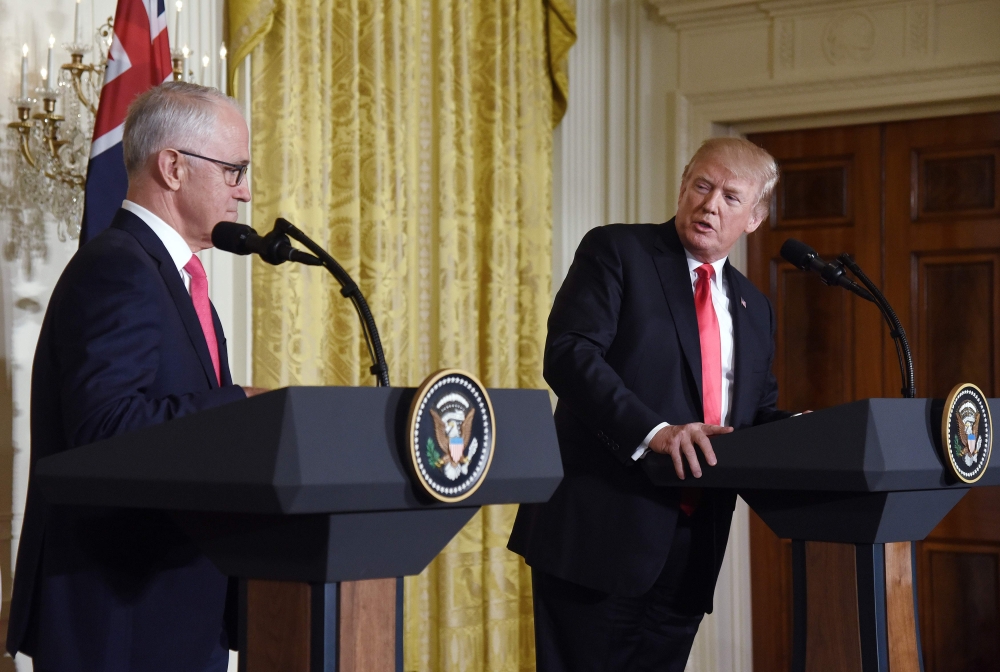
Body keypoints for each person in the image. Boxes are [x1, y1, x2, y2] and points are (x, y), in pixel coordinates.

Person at [6, 81, 267, 671]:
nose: (245, 193)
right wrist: (243, 406)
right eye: (234, 170)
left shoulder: (172, 275)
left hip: (168, 605)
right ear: (173, 167)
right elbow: (106, 427)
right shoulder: (117, 269)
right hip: (119, 617)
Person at [508, 137, 793, 672]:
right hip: (598, 533)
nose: (710, 204)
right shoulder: (618, 251)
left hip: (690, 552)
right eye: (702, 185)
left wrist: (811, 437)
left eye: (732, 197)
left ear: (755, 217)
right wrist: (652, 431)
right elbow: (570, 355)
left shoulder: (756, 308)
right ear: (684, 184)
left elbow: (754, 415)